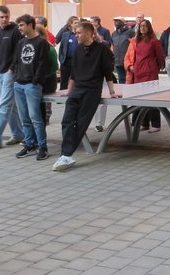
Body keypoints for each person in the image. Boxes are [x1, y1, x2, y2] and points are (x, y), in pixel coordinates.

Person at [52, 21, 121, 172]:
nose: (76, 35)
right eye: (75, 33)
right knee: (67, 120)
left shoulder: (102, 49)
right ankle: (66, 154)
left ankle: (67, 154)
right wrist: (69, 90)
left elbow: (107, 72)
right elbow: (73, 73)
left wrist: (112, 92)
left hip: (92, 91)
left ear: (89, 33)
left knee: (81, 123)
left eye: (79, 33)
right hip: (77, 90)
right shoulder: (77, 49)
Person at [12, 15, 52, 161]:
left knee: (36, 118)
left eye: (22, 25)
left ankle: (43, 147)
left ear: (30, 25)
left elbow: (43, 64)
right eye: (18, 25)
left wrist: (35, 81)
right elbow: (16, 61)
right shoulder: (21, 42)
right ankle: (29, 144)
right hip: (20, 84)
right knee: (25, 118)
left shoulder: (41, 42)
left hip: (32, 85)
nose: (19, 28)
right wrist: (16, 79)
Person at [0, 6, 24, 150]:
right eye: (1, 17)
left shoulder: (15, 32)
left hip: (9, 72)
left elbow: (17, 53)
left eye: (6, 16)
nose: (4, 19)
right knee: (8, 105)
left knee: (4, 106)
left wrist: (11, 69)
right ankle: (18, 133)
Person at [130, 19, 166, 131]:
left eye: (145, 26)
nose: (143, 28)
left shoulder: (154, 41)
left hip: (150, 73)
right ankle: (144, 123)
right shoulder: (137, 41)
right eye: (141, 26)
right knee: (140, 99)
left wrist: (154, 67)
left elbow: (160, 57)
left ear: (149, 27)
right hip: (138, 73)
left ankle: (155, 124)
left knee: (152, 98)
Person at [36, 23, 59, 125]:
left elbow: (54, 66)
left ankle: (46, 117)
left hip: (47, 80)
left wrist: (42, 75)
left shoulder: (49, 48)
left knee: (45, 100)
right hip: (37, 80)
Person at [57, 15, 80, 90]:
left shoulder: (81, 34)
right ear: (71, 24)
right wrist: (61, 59)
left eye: (78, 23)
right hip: (66, 61)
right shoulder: (65, 35)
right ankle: (61, 98)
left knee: (77, 79)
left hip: (77, 61)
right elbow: (61, 48)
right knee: (64, 80)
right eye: (75, 23)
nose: (77, 24)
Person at [111, 16, 131, 83]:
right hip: (117, 61)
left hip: (127, 61)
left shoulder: (130, 32)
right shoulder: (114, 34)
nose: (115, 23)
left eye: (117, 21)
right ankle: (123, 93)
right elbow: (113, 46)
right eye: (115, 21)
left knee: (128, 79)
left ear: (123, 22)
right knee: (121, 80)